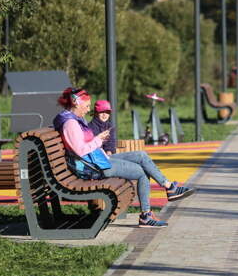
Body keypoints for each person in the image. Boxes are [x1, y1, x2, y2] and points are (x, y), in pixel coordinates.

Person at [53, 87, 194, 228]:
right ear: (76, 103)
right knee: (142, 172)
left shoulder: (75, 120)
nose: (89, 110)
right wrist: (98, 140)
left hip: (98, 160)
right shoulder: (70, 124)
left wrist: (99, 143)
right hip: (94, 168)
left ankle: (168, 187)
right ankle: (148, 213)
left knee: (141, 155)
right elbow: (80, 151)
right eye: (87, 106)